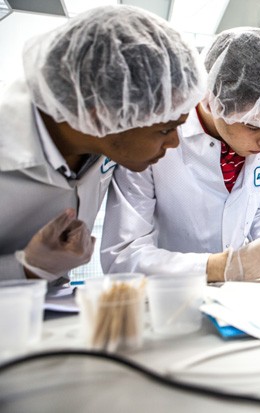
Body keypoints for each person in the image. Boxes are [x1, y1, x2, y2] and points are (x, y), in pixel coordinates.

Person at [0, 5, 206, 283]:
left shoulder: (102, 147)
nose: (174, 142)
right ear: (104, 113)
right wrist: (25, 270)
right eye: (165, 129)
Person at [100, 27, 260, 283]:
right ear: (213, 101)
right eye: (254, 126)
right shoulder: (155, 138)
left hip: (241, 295)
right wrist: (222, 266)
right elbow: (122, 255)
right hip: (172, 295)